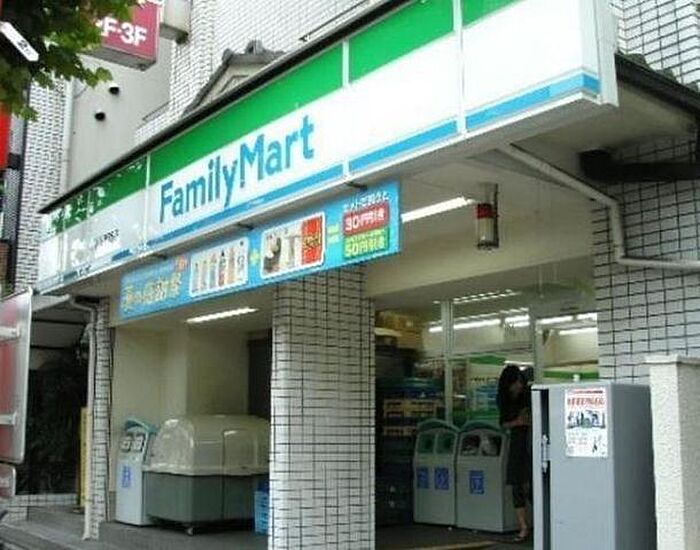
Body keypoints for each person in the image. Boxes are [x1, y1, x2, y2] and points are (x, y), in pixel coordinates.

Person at [497, 364, 532, 543]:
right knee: (516, 486)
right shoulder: (504, 399)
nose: (518, 386)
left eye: (520, 382)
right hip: (517, 442)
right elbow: (503, 423)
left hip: (531, 440)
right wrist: (518, 422)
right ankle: (523, 527)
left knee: (531, 485)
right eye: (515, 383)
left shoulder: (528, 394)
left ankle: (542, 523)